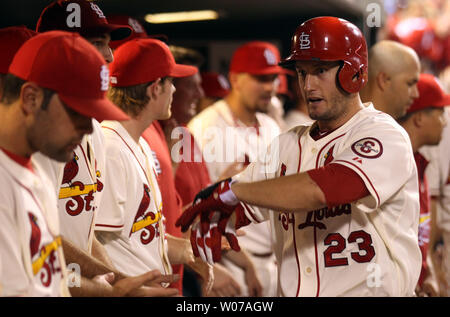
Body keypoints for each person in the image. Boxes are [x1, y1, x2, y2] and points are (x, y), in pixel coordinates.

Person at [177, 16, 422, 297]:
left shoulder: (383, 133)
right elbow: (241, 203)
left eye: (320, 70)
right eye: (303, 73)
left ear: (354, 73)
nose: (308, 86)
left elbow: (325, 188)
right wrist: (211, 214)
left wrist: (234, 191)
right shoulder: (287, 144)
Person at [0, 30, 169, 297]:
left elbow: (52, 272)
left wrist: (113, 288)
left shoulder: (35, 173)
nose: (87, 129)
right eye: (77, 113)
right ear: (31, 98)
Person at [95, 38, 211, 294]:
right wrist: (127, 286)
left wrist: (187, 251)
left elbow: (135, 236)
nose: (175, 90)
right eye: (171, 82)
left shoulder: (139, 144)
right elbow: (94, 243)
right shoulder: (111, 148)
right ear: (155, 89)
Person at [188, 41, 286, 297]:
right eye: (260, 78)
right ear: (235, 79)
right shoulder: (203, 128)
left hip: (277, 261)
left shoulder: (271, 127)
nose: (269, 87)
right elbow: (191, 209)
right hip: (230, 266)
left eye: (273, 78)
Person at [397, 73, 449, 296]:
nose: (445, 121)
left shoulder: (420, 162)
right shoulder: (394, 163)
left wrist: (426, 274)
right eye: (440, 113)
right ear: (419, 119)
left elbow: (421, 231)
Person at [360, 40, 420, 120]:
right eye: (410, 83)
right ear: (384, 80)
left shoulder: (344, 121)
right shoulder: (386, 131)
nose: (416, 94)